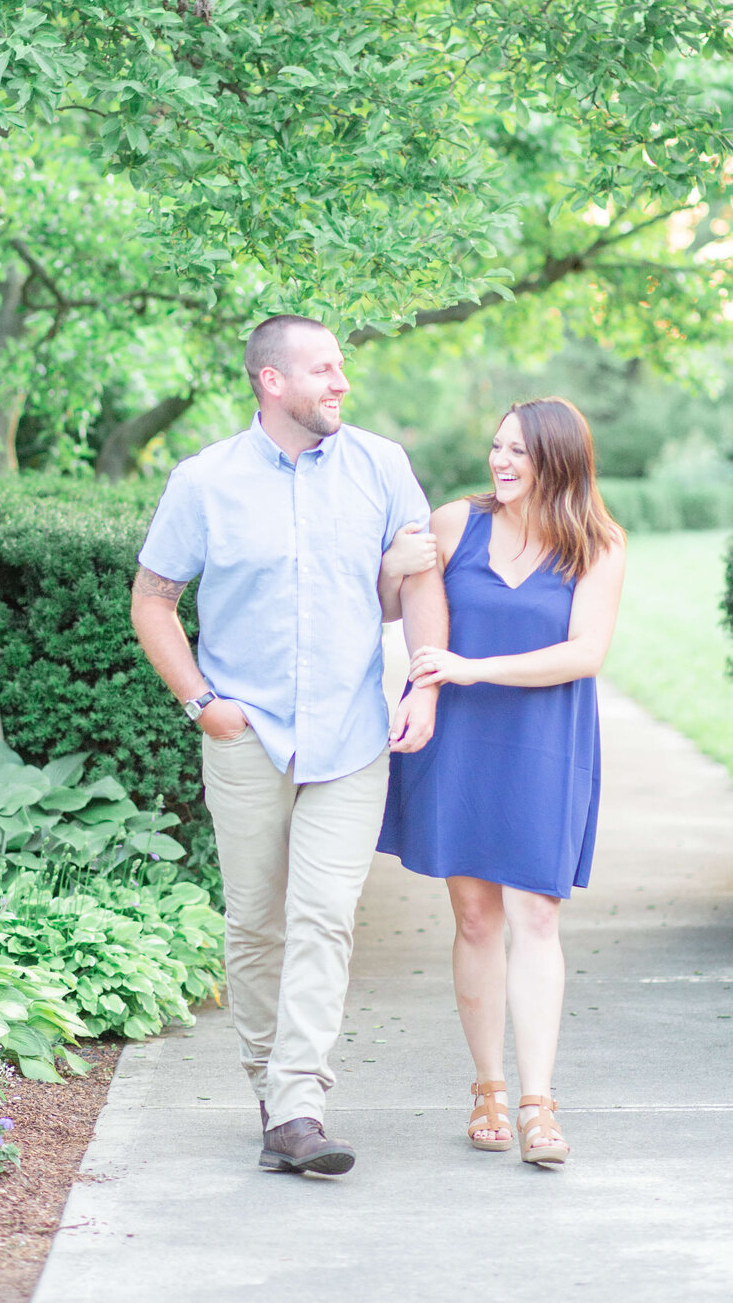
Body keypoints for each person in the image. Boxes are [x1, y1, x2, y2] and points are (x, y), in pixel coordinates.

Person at [130, 315, 446, 1177]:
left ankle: (300, 1101)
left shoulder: (382, 465)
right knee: (257, 923)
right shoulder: (205, 482)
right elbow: (152, 600)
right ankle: (270, 1092)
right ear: (271, 381)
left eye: (341, 367)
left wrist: (423, 682)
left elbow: (414, 583)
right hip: (247, 736)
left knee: (323, 917)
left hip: (350, 736)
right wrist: (202, 704)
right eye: (322, 369)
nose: (341, 382)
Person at [378, 397, 625, 1166]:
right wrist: (392, 571)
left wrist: (471, 670)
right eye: (496, 447)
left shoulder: (598, 545)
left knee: (538, 917)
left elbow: (586, 654)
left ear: (560, 459)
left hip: (545, 744)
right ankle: (487, 1085)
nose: (502, 461)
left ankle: (537, 1103)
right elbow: (394, 607)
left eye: (519, 451)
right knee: (477, 917)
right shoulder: (457, 523)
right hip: (460, 742)